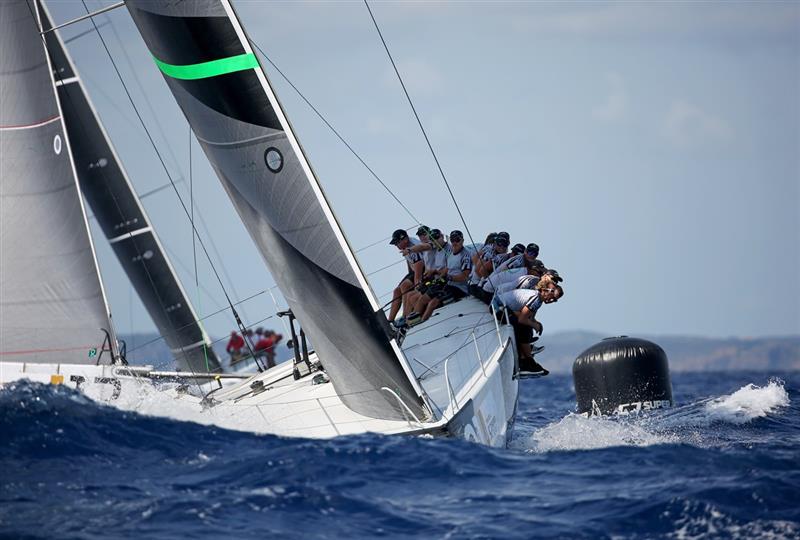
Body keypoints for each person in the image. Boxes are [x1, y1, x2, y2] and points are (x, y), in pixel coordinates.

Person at [493, 284, 563, 376]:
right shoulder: (536, 299)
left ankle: (526, 359)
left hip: (504, 307)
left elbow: (529, 317)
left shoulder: (538, 299)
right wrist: (535, 325)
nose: (552, 300)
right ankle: (528, 361)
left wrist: (536, 323)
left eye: (555, 300)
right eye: (553, 297)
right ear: (548, 291)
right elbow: (522, 319)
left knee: (526, 327)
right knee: (523, 328)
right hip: (497, 307)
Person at [413, 229, 472, 321]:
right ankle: (412, 324)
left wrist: (449, 277)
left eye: (457, 240)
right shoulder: (451, 253)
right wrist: (437, 275)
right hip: (447, 283)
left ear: (462, 240)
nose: (454, 242)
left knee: (433, 303)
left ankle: (422, 324)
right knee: (423, 298)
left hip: (459, 288)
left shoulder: (465, 256)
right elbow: (447, 269)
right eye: (452, 240)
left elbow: (465, 276)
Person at [388, 228, 424, 324]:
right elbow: (409, 263)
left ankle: (404, 316)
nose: (396, 245)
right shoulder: (405, 247)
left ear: (405, 239)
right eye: (395, 243)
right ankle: (389, 321)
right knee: (397, 291)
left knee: (405, 286)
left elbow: (419, 267)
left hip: (424, 268)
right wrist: (408, 276)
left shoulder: (413, 247)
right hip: (414, 269)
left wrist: (417, 284)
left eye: (397, 242)